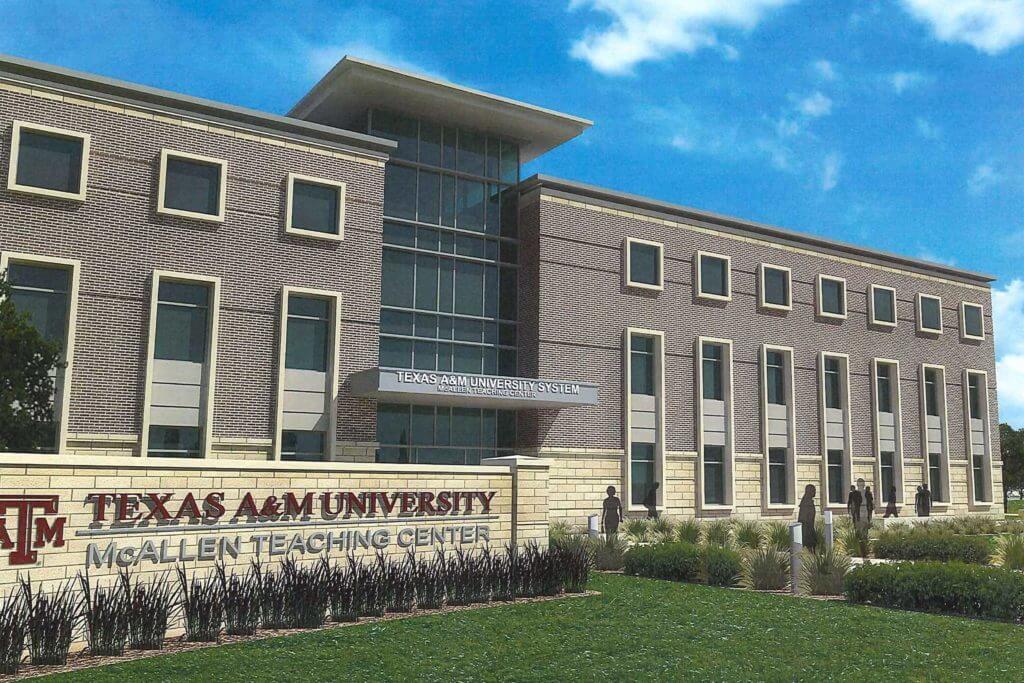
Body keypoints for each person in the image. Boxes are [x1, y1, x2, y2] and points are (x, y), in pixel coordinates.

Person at [797, 484, 818, 551]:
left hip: (810, 527)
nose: (815, 492)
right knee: (810, 544)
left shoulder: (809, 501)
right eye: (813, 490)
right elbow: (804, 518)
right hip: (807, 529)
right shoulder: (806, 503)